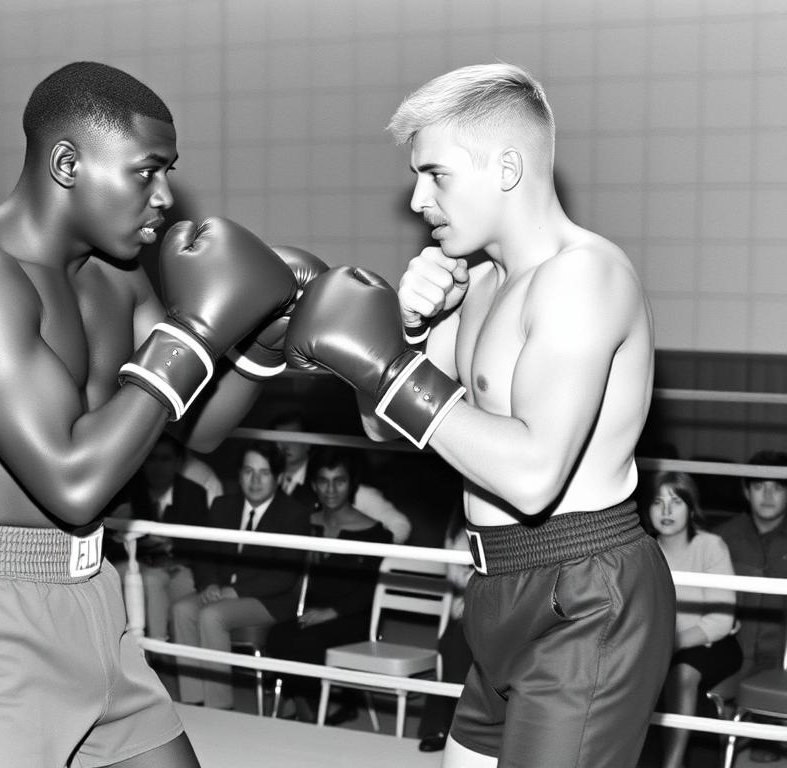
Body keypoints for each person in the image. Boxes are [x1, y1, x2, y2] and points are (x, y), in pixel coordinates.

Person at [0, 61, 325, 768]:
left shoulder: (118, 278)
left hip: (92, 596)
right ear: (68, 164)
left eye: (168, 172)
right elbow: (73, 480)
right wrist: (202, 330)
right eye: (146, 171)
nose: (165, 196)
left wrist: (258, 347)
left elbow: (197, 425)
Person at [285, 62, 674, 768]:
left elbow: (531, 475)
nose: (416, 198)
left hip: (583, 593)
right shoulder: (478, 284)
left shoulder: (584, 277)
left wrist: (387, 364)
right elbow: (387, 426)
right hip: (494, 588)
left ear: (506, 167)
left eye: (435, 174)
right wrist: (403, 330)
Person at [170, 441, 311, 710]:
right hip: (221, 589)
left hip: (270, 600)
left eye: (264, 473)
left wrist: (236, 591)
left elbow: (284, 577)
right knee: (181, 610)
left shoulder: (294, 515)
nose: (255, 480)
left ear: (279, 477)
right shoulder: (223, 505)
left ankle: (219, 707)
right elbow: (203, 553)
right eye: (248, 471)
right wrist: (209, 582)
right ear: (239, 475)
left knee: (212, 616)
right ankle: (192, 700)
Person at [265, 445, 391, 724]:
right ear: (313, 484)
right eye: (323, 480)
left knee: (306, 640)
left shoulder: (375, 532)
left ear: (352, 484)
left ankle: (321, 708)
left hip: (354, 616)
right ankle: (305, 704)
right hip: (308, 612)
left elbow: (372, 589)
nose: (331, 489)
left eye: (339, 481)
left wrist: (333, 611)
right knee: (277, 634)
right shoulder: (304, 524)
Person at [646, 471, 741, 768]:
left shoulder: (710, 545)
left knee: (682, 673)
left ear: (691, 507)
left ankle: (672, 765)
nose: (665, 511)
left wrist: (672, 643)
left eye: (675, 502)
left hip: (711, 643)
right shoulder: (642, 550)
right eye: (657, 502)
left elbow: (722, 620)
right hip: (658, 645)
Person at [715, 450, 787, 763]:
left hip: (781, 661)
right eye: (759, 486)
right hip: (731, 655)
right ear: (746, 491)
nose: (768, 495)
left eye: (778, 486)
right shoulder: (721, 539)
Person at [112, 432, 210, 640]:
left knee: (151, 580)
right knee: (114, 576)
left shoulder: (194, 493)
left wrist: (168, 549)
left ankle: (156, 649)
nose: (157, 466)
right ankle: (122, 648)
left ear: (178, 462)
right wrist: (143, 542)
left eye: (165, 459)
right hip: (139, 561)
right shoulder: (130, 490)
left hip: (181, 567)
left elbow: (200, 546)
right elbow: (111, 540)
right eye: (151, 458)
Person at [269, 409, 413, 544]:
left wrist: (365, 554)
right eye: (279, 439)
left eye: (292, 438)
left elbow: (399, 525)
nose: (285, 446)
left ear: (308, 443)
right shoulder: (267, 480)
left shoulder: (341, 481)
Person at [416, 498, 474, 753]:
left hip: (501, 604)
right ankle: (445, 725)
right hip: (472, 604)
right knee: (452, 640)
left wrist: (473, 596)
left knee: (460, 637)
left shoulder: (508, 521)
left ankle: (454, 727)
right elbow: (454, 574)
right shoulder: (457, 525)